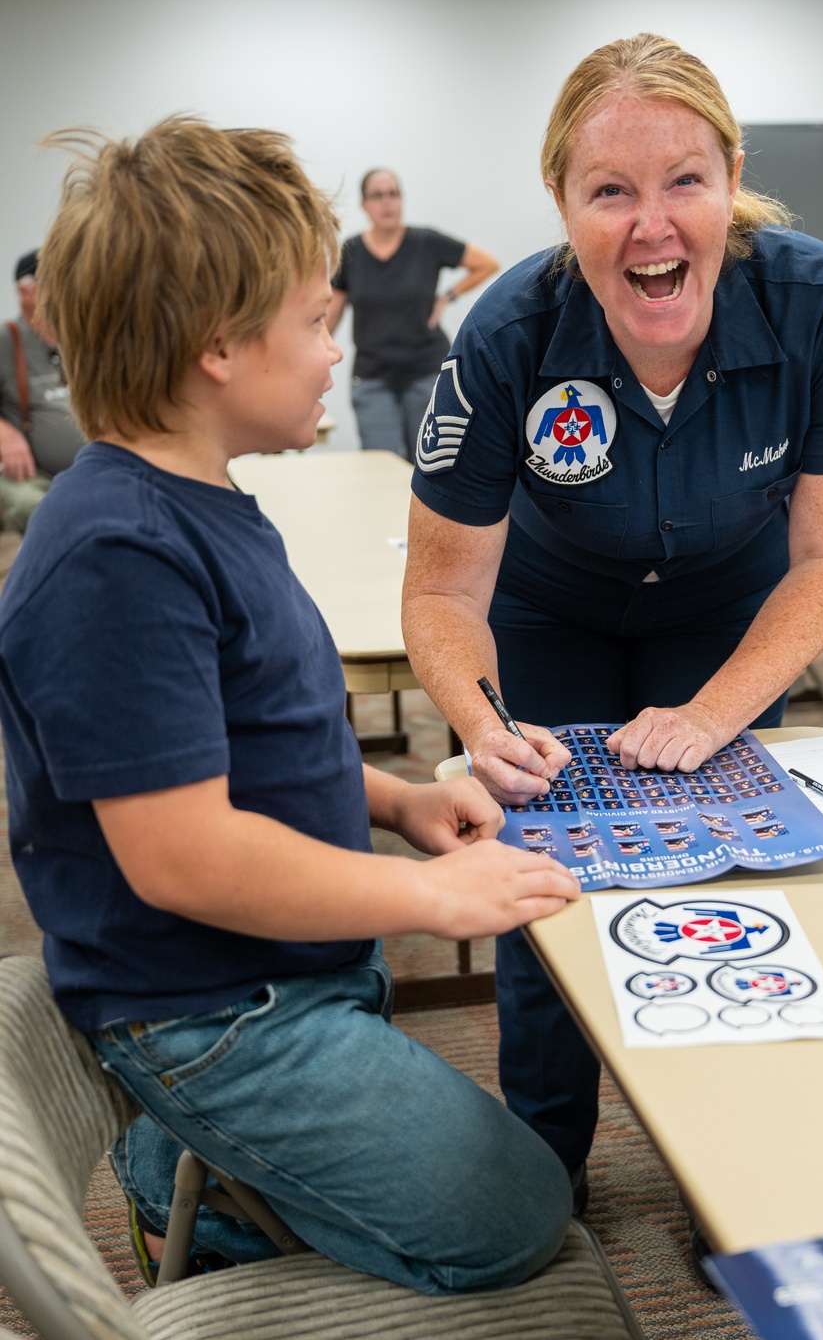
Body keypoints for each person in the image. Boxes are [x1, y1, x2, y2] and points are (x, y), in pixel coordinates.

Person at [0, 116, 579, 1293]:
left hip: (286, 975)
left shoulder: (202, 500)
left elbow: (253, 745)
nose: (336, 349)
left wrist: (401, 801)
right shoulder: (116, 549)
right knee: (519, 1216)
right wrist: (426, 896)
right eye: (318, 320)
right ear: (219, 346)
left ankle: (215, 1176)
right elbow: (184, 856)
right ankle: (203, 1201)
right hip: (217, 1014)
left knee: (501, 1185)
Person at [400, 33, 823, 1201]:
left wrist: (719, 712)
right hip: (551, 614)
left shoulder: (818, 302)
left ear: (731, 178)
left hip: (730, 619)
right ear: (562, 207)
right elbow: (440, 589)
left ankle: (741, 1191)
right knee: (545, 895)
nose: (652, 224)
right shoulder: (511, 334)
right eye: (608, 191)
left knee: (734, 898)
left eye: (684, 180)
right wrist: (479, 722)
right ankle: (548, 1175)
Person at [327, 168, 499, 460]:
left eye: (393, 194)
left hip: (426, 372)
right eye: (378, 196)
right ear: (364, 205)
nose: (387, 203)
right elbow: (331, 312)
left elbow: (486, 263)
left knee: (430, 463)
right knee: (380, 466)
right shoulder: (351, 251)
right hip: (372, 378)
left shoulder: (425, 242)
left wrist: (447, 296)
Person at [0, 249, 84, 531]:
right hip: (31, 475)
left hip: (85, 470)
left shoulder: (75, 337)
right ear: (25, 291)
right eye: (50, 281)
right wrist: (4, 433)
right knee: (36, 508)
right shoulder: (6, 340)